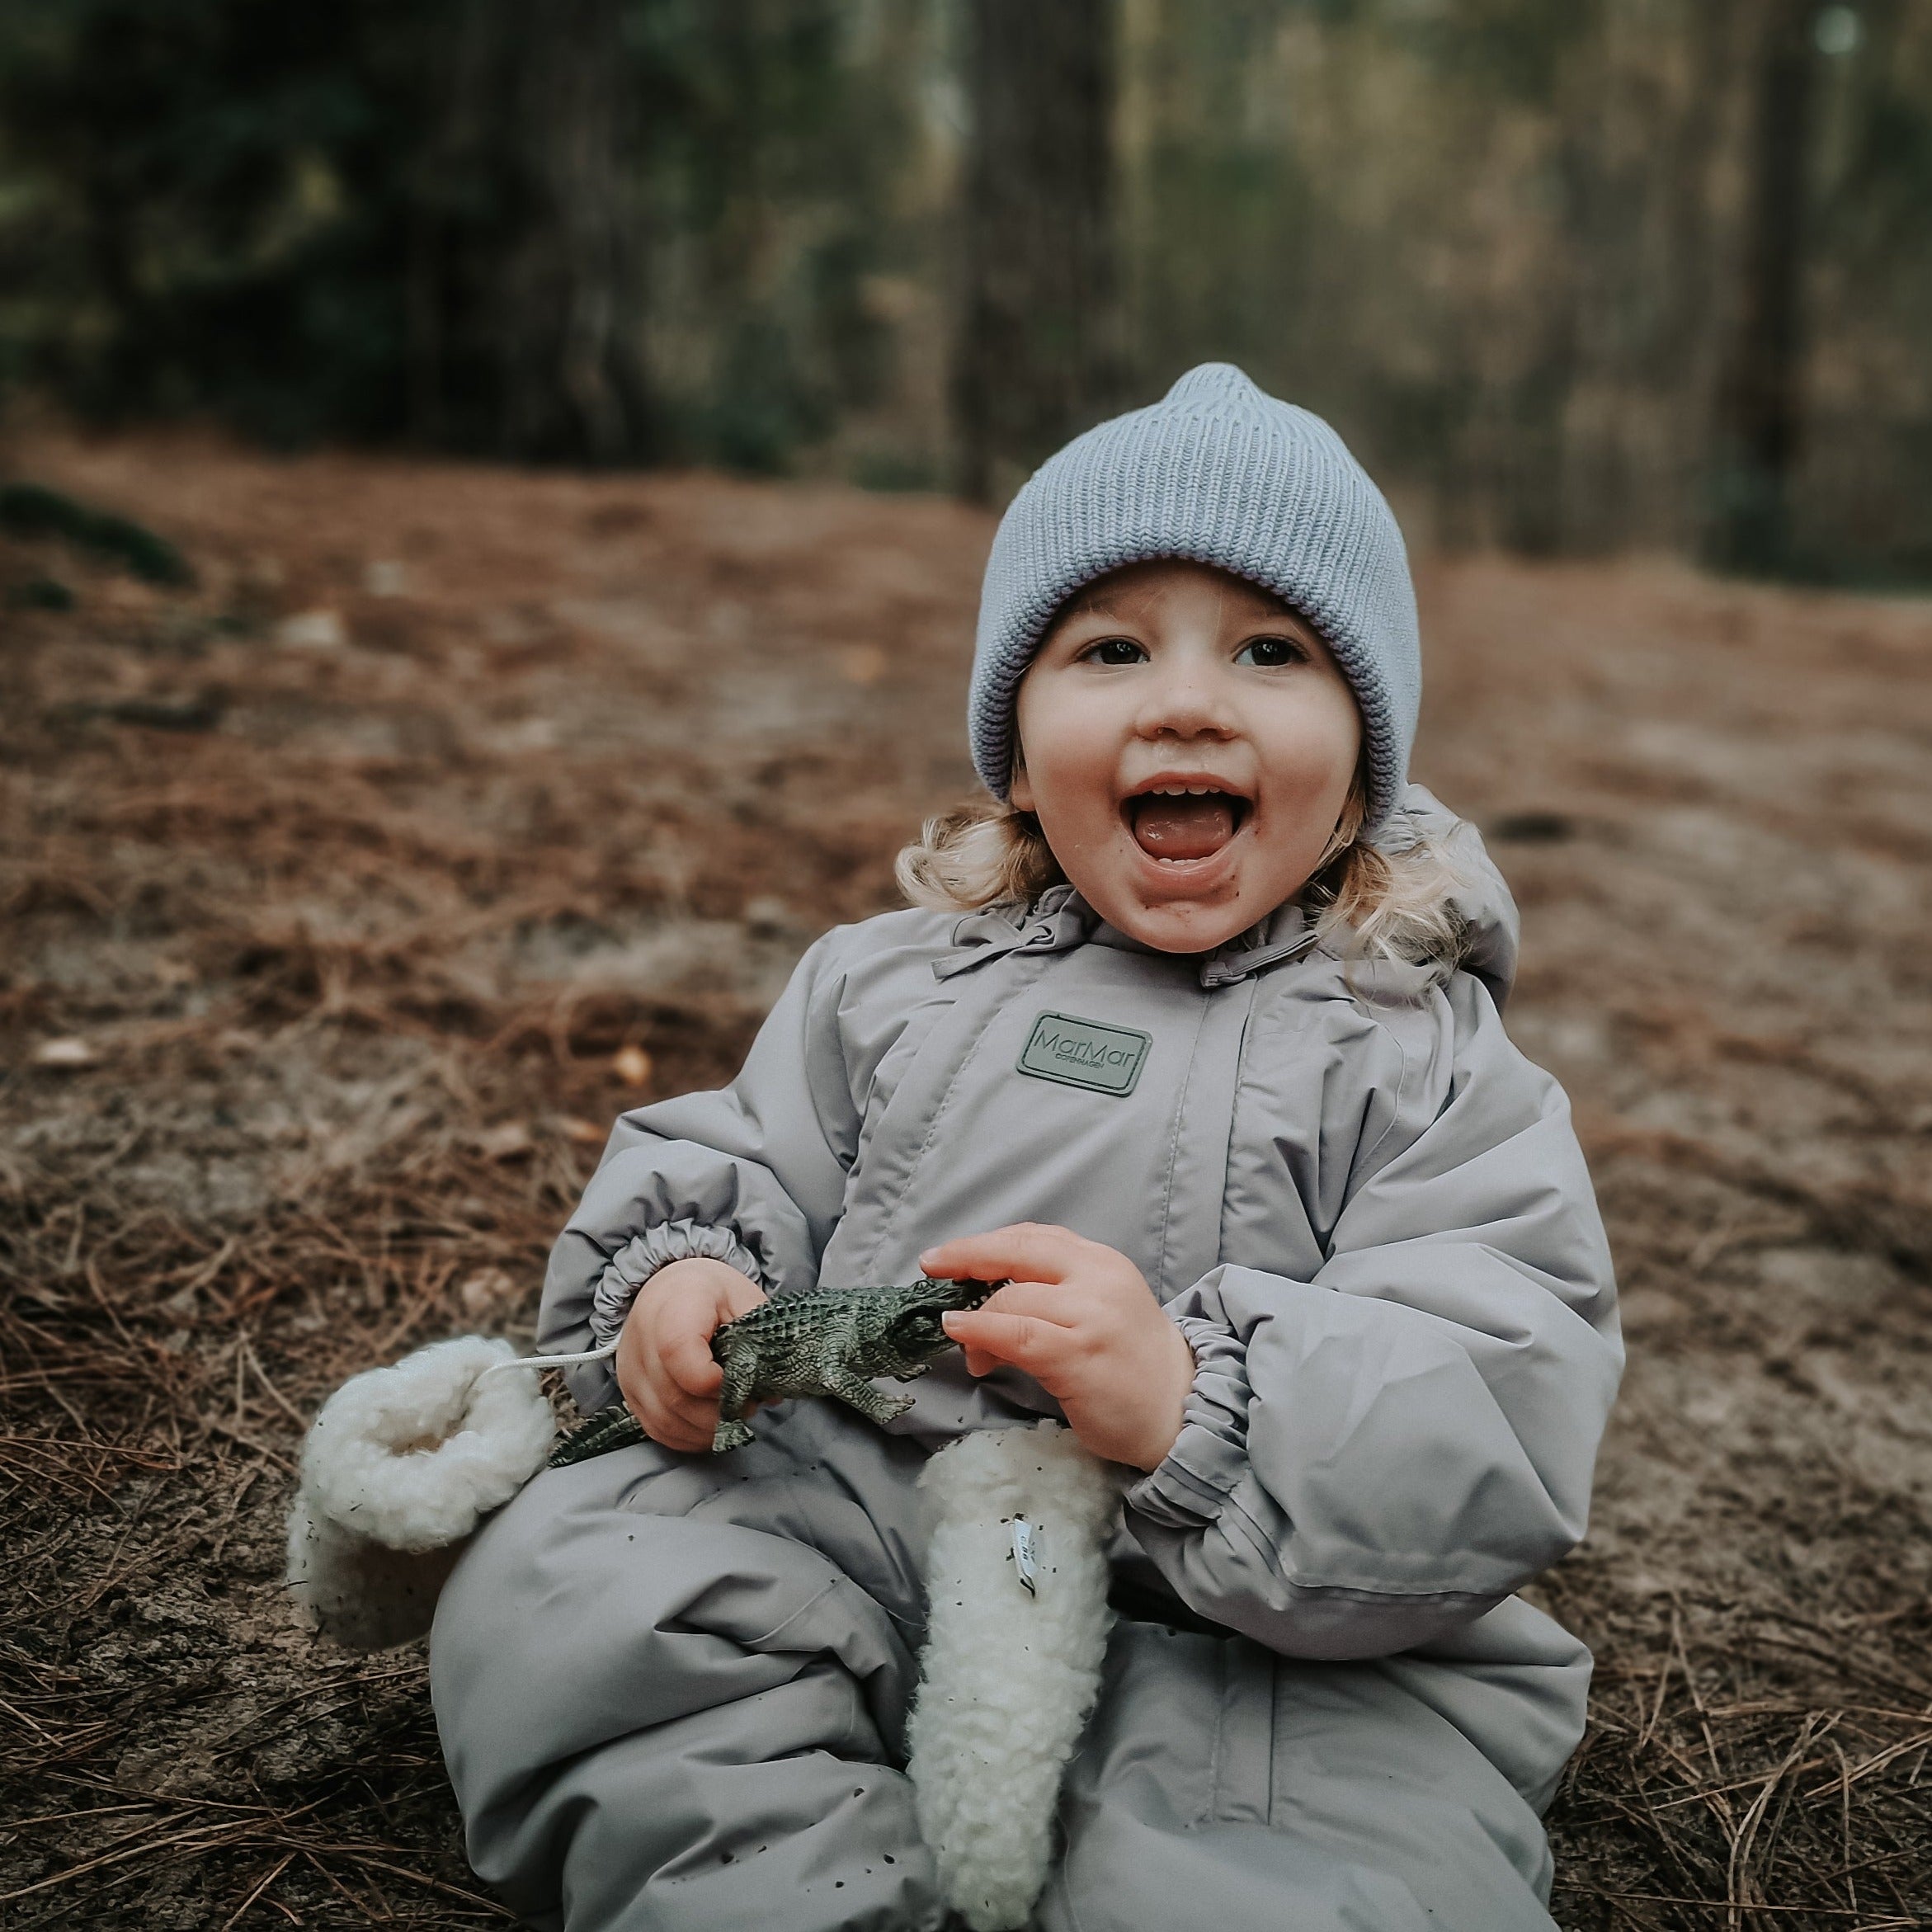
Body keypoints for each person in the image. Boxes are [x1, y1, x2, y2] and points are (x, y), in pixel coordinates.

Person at [429, 363, 1622, 1932]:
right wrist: (684, 1279)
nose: (1185, 698)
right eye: (1109, 647)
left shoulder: (1414, 1049)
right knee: (568, 1590)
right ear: (1012, 745)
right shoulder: (886, 979)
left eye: (1271, 650)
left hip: (1226, 1612)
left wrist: (1199, 1407)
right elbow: (742, 1157)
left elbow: (1499, 1381)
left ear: (1362, 757)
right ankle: (796, 1892)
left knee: (1325, 1830)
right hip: (853, 1522)